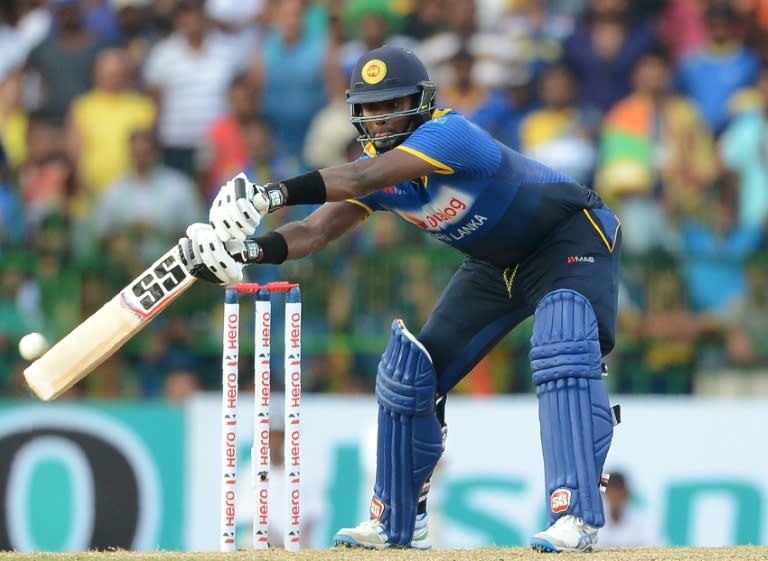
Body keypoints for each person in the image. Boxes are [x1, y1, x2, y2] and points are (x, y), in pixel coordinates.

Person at [178, 45, 622, 553]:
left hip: (567, 239)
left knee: (562, 341)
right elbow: (314, 233)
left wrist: (266, 194)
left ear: (421, 101)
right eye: (368, 108)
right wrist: (245, 249)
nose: (378, 118)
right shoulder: (376, 169)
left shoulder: (448, 135)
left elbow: (363, 178)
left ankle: (576, 517)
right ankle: (397, 522)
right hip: (494, 264)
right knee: (411, 374)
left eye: (391, 104)